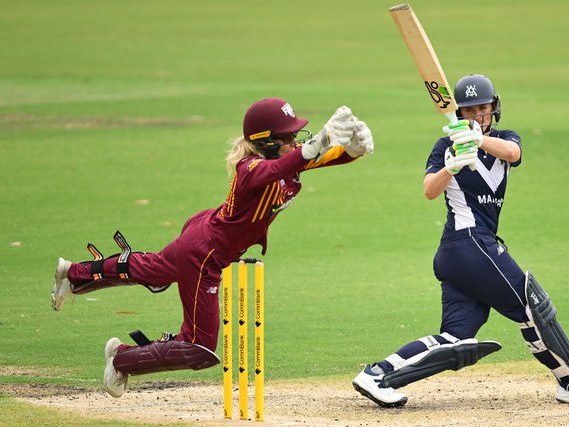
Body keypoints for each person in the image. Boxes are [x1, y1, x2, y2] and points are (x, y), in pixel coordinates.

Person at [51, 97, 374, 398]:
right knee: (198, 348)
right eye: (289, 137)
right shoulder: (251, 169)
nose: (296, 141)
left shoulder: (284, 158)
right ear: (268, 142)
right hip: (205, 255)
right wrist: (318, 142)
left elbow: (311, 159)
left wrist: (352, 150)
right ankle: (120, 359)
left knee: (153, 272)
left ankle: (73, 274)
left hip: (204, 232)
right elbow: (283, 166)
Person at [352, 75, 569, 407]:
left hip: (465, 255)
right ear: (458, 114)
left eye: (483, 108)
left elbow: (513, 152)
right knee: (532, 308)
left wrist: (476, 141)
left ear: (494, 108)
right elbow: (429, 191)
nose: (478, 115)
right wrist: (451, 166)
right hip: (468, 245)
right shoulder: (445, 147)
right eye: (470, 111)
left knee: (456, 336)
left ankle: (378, 376)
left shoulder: (503, 138)